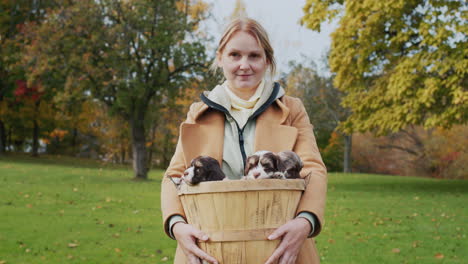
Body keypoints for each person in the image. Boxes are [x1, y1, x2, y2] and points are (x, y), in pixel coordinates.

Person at [161, 17, 327, 264]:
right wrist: (177, 226)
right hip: (209, 248)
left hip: (281, 247)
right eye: (235, 55)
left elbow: (313, 170)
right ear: (220, 58)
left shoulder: (292, 109)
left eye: (254, 56)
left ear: (267, 60)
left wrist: (305, 221)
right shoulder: (198, 112)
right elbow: (173, 177)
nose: (244, 65)